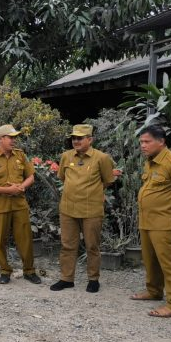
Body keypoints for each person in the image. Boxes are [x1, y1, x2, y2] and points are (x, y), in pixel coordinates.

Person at [131, 125, 171, 318]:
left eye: (147, 142)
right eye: (141, 142)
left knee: (170, 263)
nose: (143, 145)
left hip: (165, 222)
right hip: (147, 221)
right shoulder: (151, 162)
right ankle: (154, 291)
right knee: (150, 260)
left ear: (161, 141)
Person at [50, 124, 116, 293]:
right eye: (73, 138)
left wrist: (91, 192)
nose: (76, 141)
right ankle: (66, 278)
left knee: (92, 246)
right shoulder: (66, 156)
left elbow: (107, 180)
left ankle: (93, 279)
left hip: (91, 210)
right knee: (67, 245)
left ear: (90, 139)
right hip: (68, 209)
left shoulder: (101, 158)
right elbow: (63, 178)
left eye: (80, 138)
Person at [0, 124, 40, 285]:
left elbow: (31, 176)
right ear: (1, 139)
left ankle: (29, 271)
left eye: (15, 138)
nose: (14, 141)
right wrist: (7, 190)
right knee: (0, 241)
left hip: (19, 205)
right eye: (10, 137)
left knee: (25, 239)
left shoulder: (20, 155)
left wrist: (22, 187)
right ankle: (4, 271)